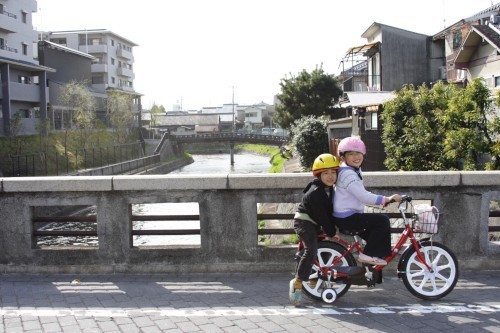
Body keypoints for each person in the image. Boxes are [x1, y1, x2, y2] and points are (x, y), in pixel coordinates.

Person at [333, 136, 402, 266]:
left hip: (348, 215)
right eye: (351, 154)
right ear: (343, 157)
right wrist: (386, 199)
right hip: (347, 217)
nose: (356, 156)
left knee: (376, 236)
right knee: (382, 221)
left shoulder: (352, 169)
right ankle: (367, 255)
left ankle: (372, 269)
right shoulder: (348, 174)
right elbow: (364, 196)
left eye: (358, 153)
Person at [289, 153, 340, 306]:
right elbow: (322, 216)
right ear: (319, 175)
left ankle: (315, 278)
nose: (330, 176)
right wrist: (332, 232)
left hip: (315, 222)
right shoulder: (316, 193)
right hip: (304, 222)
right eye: (326, 173)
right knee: (311, 249)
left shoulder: (328, 188)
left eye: (333, 172)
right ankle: (297, 282)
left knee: (322, 251)